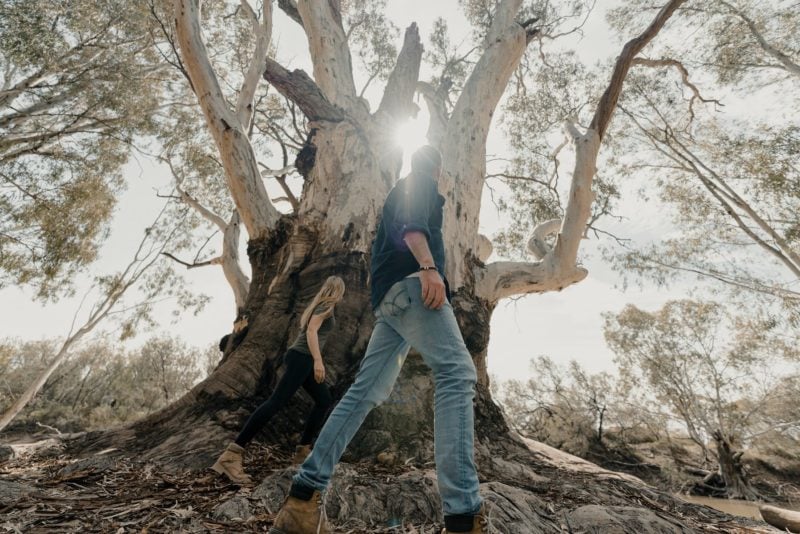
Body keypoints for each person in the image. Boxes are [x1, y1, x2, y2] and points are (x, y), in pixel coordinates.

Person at [269, 146, 485, 534]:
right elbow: (413, 228)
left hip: (389, 302)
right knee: (457, 374)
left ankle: (302, 498)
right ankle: (464, 517)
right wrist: (429, 267)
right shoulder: (419, 183)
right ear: (437, 168)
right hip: (415, 288)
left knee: (364, 392)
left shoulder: (401, 191)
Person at [211, 276, 346, 485]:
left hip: (301, 358)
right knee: (275, 402)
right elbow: (311, 331)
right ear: (339, 291)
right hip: (303, 358)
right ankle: (232, 455)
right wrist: (318, 361)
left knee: (323, 400)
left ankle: (302, 452)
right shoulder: (327, 305)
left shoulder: (318, 305)